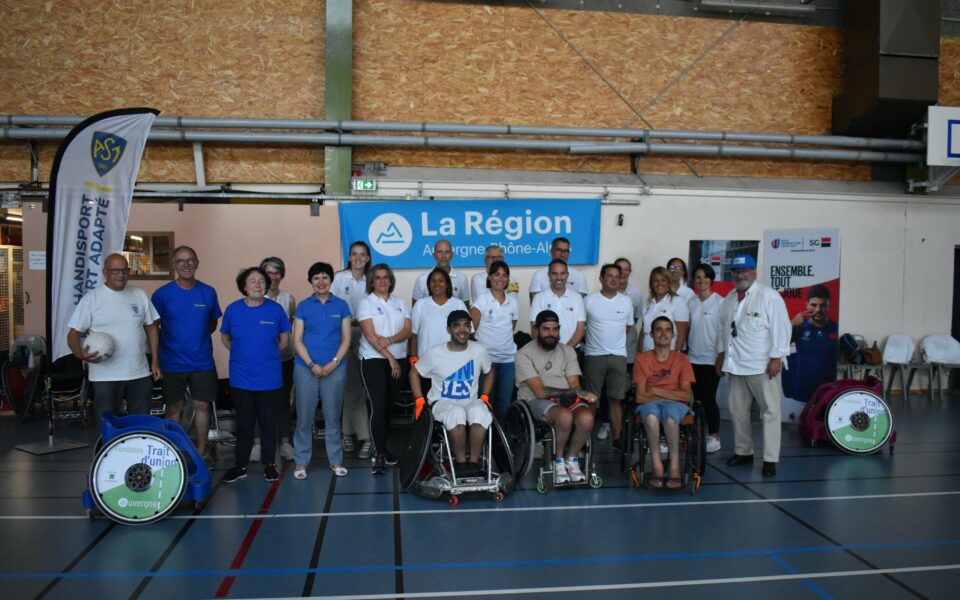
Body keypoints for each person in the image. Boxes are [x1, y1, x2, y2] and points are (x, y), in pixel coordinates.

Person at [715, 255, 791, 477]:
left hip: (763, 366)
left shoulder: (768, 296)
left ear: (754, 272)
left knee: (770, 412)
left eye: (745, 270)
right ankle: (744, 451)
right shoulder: (728, 299)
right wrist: (721, 354)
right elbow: (722, 328)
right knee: (738, 412)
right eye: (737, 271)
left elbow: (782, 328)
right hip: (736, 365)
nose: (741, 275)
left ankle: (770, 459)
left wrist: (776, 357)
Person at [67, 253, 160, 428]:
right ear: (105, 273)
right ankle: (108, 453)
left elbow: (151, 327)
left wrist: (155, 360)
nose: (120, 274)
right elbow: (73, 333)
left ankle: (138, 453)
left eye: (124, 270)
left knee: (141, 422)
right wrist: (79, 353)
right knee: (107, 423)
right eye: (115, 271)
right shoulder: (92, 299)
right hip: (105, 375)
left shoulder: (139, 294)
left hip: (138, 371)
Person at [152, 246, 222, 466]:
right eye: (181, 261)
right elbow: (153, 327)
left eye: (190, 260)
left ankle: (201, 452)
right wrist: (156, 359)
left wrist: (195, 339)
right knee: (174, 408)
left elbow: (212, 323)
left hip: (202, 361)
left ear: (197, 263)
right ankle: (173, 451)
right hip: (171, 362)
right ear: (174, 265)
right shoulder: (162, 294)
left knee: (202, 405)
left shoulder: (208, 292)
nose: (186, 265)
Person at [220, 266, 291, 483]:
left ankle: (269, 464)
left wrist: (265, 355)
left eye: (262, 281)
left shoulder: (276, 310)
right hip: (242, 378)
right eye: (253, 281)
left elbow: (284, 340)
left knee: (269, 423)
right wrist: (243, 354)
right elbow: (225, 338)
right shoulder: (233, 310)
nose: (258, 285)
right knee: (244, 424)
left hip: (269, 378)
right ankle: (240, 465)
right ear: (244, 286)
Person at [515, 310, 598, 483]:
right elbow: (539, 392)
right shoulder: (524, 354)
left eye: (555, 329)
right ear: (535, 330)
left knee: (587, 418)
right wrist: (571, 393)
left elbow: (574, 384)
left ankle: (571, 459)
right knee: (565, 416)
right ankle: (558, 461)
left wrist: (584, 395)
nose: (551, 334)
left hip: (566, 397)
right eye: (546, 329)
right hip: (535, 400)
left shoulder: (568, 351)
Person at [410, 310, 493, 476]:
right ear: (448, 329)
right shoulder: (434, 352)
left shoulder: (479, 350)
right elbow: (414, 373)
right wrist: (419, 399)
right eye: (457, 326)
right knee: (456, 413)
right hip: (442, 402)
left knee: (480, 411)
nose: (462, 330)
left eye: (466, 326)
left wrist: (485, 396)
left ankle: (474, 464)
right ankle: (461, 465)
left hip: (470, 401)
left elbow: (489, 372)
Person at [291, 262, 351, 480]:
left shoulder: (342, 305)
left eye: (325, 277)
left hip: (335, 369)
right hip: (306, 368)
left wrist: (333, 363)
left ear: (331, 280)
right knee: (304, 418)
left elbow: (346, 338)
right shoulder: (304, 306)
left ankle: (335, 461)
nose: (321, 282)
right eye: (316, 278)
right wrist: (311, 365)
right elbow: (296, 339)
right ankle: (300, 462)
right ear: (311, 281)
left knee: (333, 417)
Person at [357, 263, 412, 474]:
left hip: (399, 358)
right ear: (371, 281)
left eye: (385, 277)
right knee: (378, 407)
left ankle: (383, 448)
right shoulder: (366, 303)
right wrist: (390, 358)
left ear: (391, 280)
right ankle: (378, 453)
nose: (382, 281)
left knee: (388, 408)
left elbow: (407, 330)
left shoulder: (400, 302)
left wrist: (389, 339)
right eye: (377, 277)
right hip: (374, 360)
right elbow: (371, 337)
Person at [633, 316, 696, 489]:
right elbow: (639, 397)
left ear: (673, 335)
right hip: (650, 404)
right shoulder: (642, 359)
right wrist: (669, 394)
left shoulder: (682, 359)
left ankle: (675, 467)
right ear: (651, 335)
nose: (663, 333)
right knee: (652, 418)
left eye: (668, 329)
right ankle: (657, 466)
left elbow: (685, 395)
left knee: (670, 418)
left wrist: (654, 390)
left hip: (675, 404)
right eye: (659, 329)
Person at [582, 263, 634, 445]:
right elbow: (582, 326)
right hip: (594, 356)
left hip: (618, 356)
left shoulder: (626, 302)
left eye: (617, 276)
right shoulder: (589, 300)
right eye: (609, 276)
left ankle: (617, 438)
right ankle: (584, 439)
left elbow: (627, 327)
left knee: (616, 399)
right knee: (591, 400)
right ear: (601, 279)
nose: (614, 279)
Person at [331, 241, 373, 460]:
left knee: (360, 389)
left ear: (368, 258)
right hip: (344, 334)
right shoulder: (339, 278)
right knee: (351, 388)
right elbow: (329, 304)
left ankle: (350, 434)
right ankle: (360, 436)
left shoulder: (374, 279)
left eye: (362, 254)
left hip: (368, 334)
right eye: (354, 254)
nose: (358, 258)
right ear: (349, 257)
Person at [253, 257, 296, 463]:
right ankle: (257, 443)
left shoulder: (289, 299)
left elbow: (289, 328)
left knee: (283, 401)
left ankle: (285, 443)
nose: (274, 277)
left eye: (277, 273)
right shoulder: (253, 298)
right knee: (258, 401)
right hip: (259, 361)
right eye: (269, 273)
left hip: (284, 359)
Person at [470, 260, 518, 423]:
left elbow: (511, 328)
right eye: (496, 274)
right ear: (489, 277)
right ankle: (485, 441)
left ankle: (500, 442)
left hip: (508, 361)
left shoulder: (513, 302)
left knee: (504, 404)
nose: (501, 279)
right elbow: (472, 330)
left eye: (505, 275)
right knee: (485, 402)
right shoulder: (481, 301)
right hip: (486, 362)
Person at [687, 264, 723, 454]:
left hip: (711, 360)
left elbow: (724, 333)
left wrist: (721, 357)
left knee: (709, 399)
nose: (701, 281)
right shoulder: (691, 302)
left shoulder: (720, 302)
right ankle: (699, 433)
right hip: (692, 358)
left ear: (711, 279)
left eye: (705, 277)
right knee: (697, 400)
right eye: (698, 277)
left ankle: (715, 436)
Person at [410, 268, 468, 379]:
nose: (437, 284)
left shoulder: (458, 304)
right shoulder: (420, 304)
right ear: (428, 285)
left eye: (441, 280)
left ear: (447, 284)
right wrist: (413, 359)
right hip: (425, 363)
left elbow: (467, 333)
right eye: (433, 281)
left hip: (453, 363)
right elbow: (413, 334)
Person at [788, 284, 838, 403]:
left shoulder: (835, 329)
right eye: (813, 305)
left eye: (823, 305)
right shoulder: (799, 327)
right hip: (801, 392)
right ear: (807, 304)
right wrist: (792, 323)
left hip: (826, 393)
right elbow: (778, 342)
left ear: (828, 305)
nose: (818, 310)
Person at [529, 259, 586, 348]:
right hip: (545, 351)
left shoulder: (577, 298)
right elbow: (534, 329)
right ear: (548, 275)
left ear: (567, 275)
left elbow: (581, 329)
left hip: (572, 351)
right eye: (554, 273)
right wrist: (549, 350)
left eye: (562, 273)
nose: (559, 277)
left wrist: (566, 351)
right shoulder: (538, 298)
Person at [640, 266, 690, 352]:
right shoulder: (647, 303)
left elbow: (682, 332)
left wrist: (676, 355)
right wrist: (639, 352)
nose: (659, 284)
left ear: (668, 283)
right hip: (647, 354)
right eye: (656, 281)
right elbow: (643, 330)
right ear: (651, 284)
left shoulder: (678, 302)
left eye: (663, 280)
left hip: (667, 355)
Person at [528, 237, 589, 302]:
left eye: (566, 251)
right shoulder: (539, 275)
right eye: (559, 250)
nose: (562, 254)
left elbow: (582, 303)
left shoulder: (579, 275)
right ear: (551, 251)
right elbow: (534, 303)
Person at [411, 239, 470, 305]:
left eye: (447, 252)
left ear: (452, 255)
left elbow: (466, 306)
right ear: (434, 255)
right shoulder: (422, 279)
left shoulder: (461, 277)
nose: (443, 256)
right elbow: (415, 307)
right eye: (439, 252)